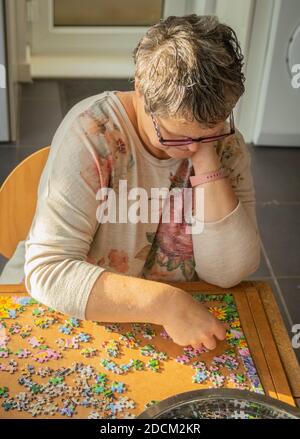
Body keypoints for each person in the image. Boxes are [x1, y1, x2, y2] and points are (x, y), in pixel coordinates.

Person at [0, 15, 261, 351]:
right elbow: (48, 272)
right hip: (88, 312)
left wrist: (207, 159)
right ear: (140, 89)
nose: (193, 147)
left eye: (211, 130)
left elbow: (228, 272)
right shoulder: (92, 135)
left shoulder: (222, 142)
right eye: (178, 136)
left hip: (181, 323)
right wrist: (164, 303)